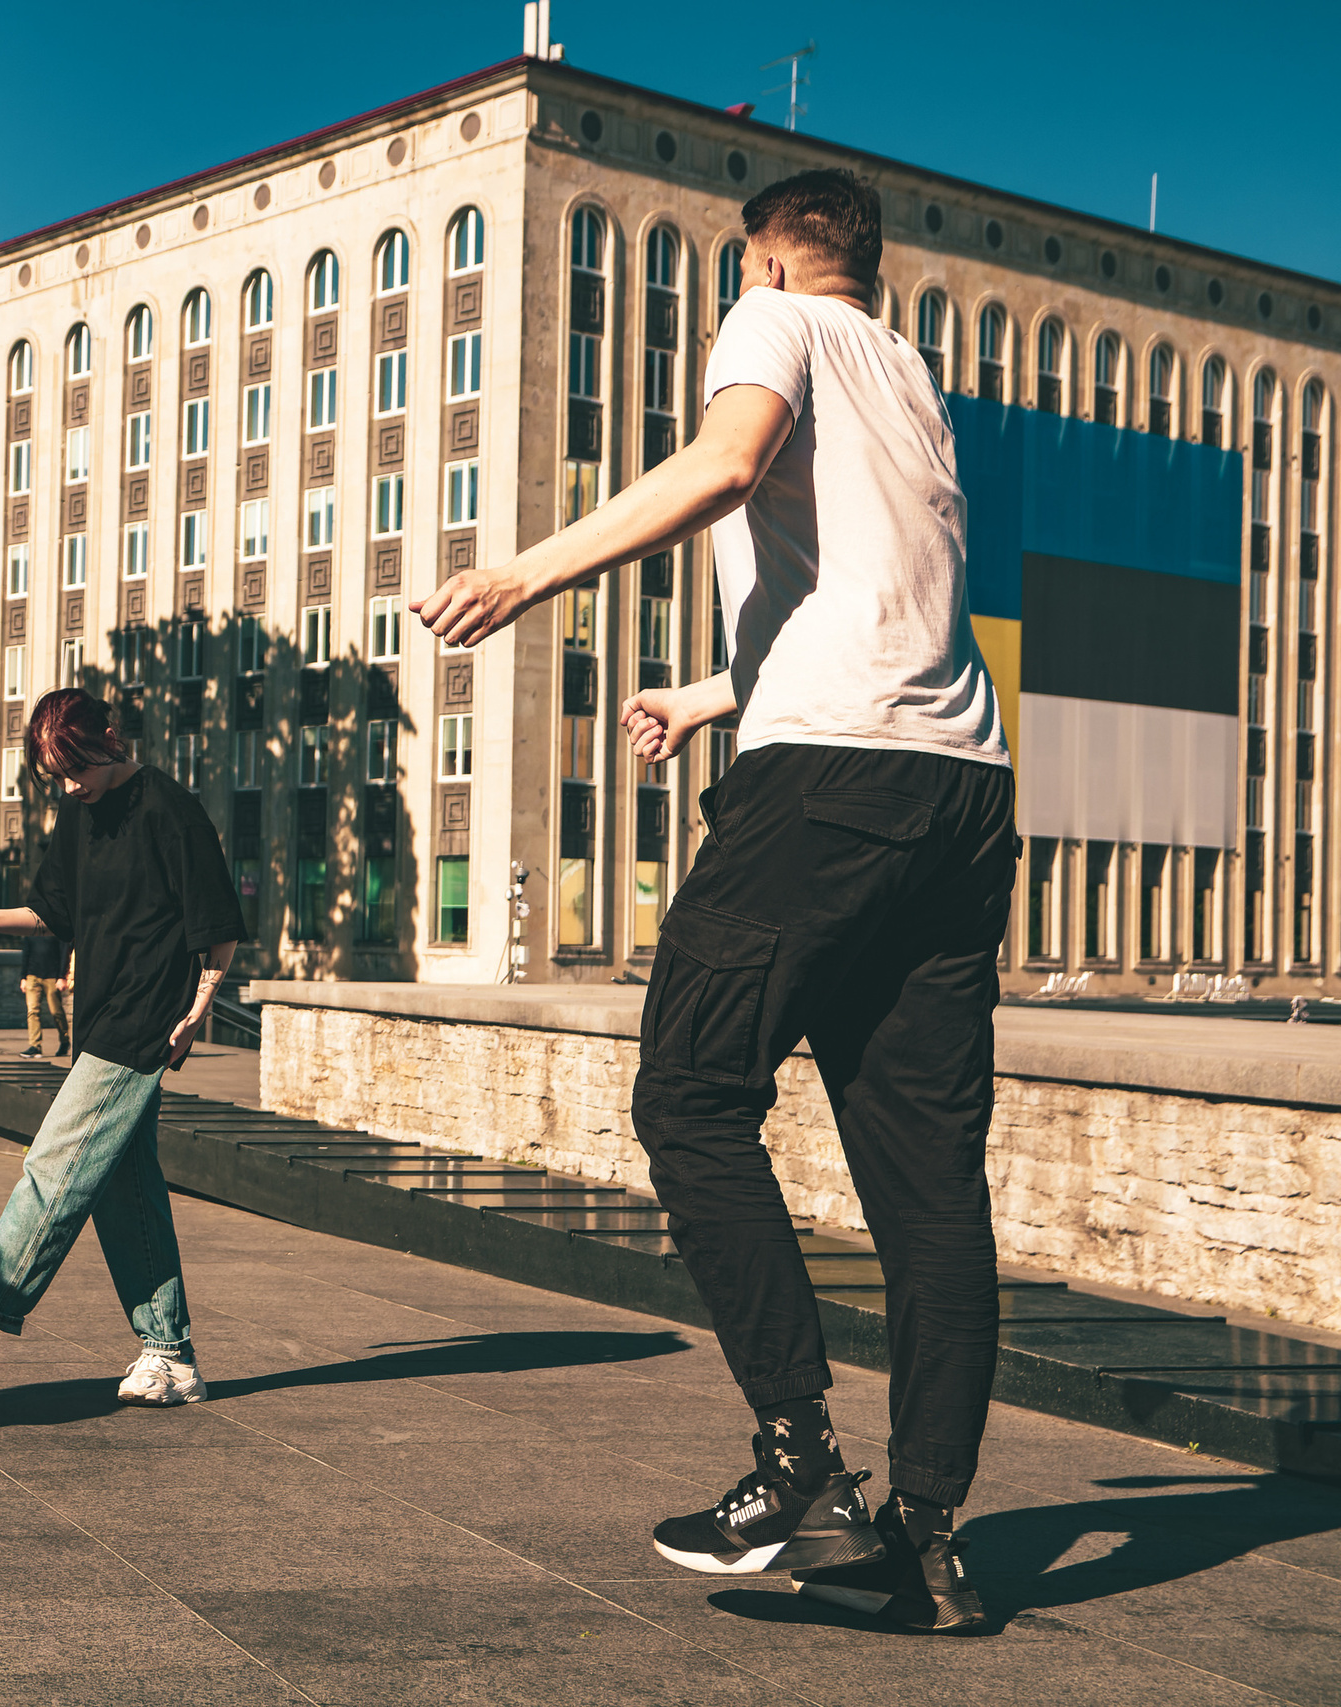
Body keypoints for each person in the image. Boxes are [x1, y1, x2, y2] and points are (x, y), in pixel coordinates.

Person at [414, 169, 1009, 1635]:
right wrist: (705, 696)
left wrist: (526, 573)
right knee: (930, 1183)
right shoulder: (913, 380)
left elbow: (727, 465)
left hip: (828, 788)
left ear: (774, 262)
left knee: (688, 1096)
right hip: (959, 790)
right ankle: (926, 1541)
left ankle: (799, 1461)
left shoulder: (774, 318)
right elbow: (876, 613)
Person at [0, 689, 245, 1406]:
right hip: (96, 1016)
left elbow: (219, 925)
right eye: (55, 776)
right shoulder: (77, 815)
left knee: (53, 1164)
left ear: (109, 738)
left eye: (76, 769)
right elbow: (54, 912)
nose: (69, 786)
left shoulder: (171, 810)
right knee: (126, 1189)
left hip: (146, 1019)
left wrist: (199, 1007)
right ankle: (170, 1355)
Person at [17, 930, 72, 1058]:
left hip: (52, 977)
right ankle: (35, 1046)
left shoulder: (56, 930)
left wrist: (62, 977)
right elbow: (26, 953)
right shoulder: (32, 931)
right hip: (32, 976)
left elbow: (64, 953)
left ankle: (64, 1041)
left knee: (56, 1012)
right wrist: (23, 977)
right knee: (32, 1011)